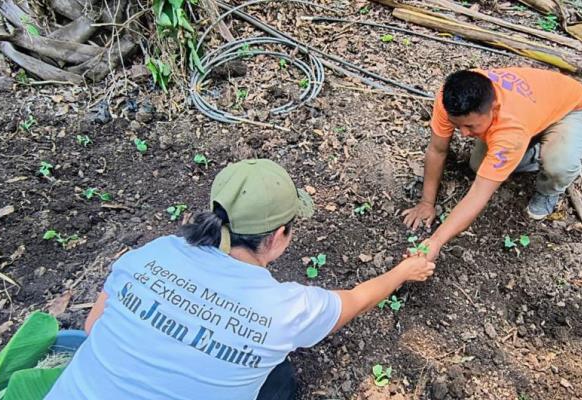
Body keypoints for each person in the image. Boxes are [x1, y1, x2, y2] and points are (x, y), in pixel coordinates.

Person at [46, 159, 435, 400]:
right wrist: (403, 271)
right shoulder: (282, 311)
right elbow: (356, 300)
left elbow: (93, 325)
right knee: (279, 377)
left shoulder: (154, 253)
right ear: (279, 235)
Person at [401, 68, 582, 260]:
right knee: (479, 165)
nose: (464, 134)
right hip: (532, 112)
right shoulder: (450, 97)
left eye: (470, 126)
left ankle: (549, 188)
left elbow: (479, 193)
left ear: (494, 109)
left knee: (559, 165)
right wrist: (426, 202)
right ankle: (534, 146)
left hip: (571, 110)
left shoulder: (510, 131)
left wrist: (435, 242)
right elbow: (437, 149)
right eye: (457, 125)